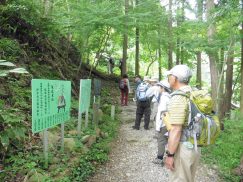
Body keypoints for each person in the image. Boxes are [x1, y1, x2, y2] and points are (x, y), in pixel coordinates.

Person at [164, 65, 200, 182]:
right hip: (194, 145)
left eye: (170, 75)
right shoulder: (193, 93)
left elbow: (176, 130)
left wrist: (170, 155)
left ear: (175, 78)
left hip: (183, 147)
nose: (168, 78)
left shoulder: (179, 97)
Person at [150, 80, 171, 166]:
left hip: (164, 123)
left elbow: (161, 113)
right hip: (169, 122)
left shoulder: (163, 98)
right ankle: (170, 155)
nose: (158, 88)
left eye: (159, 86)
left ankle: (159, 158)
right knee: (168, 139)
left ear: (163, 88)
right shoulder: (169, 96)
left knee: (161, 141)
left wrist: (158, 127)